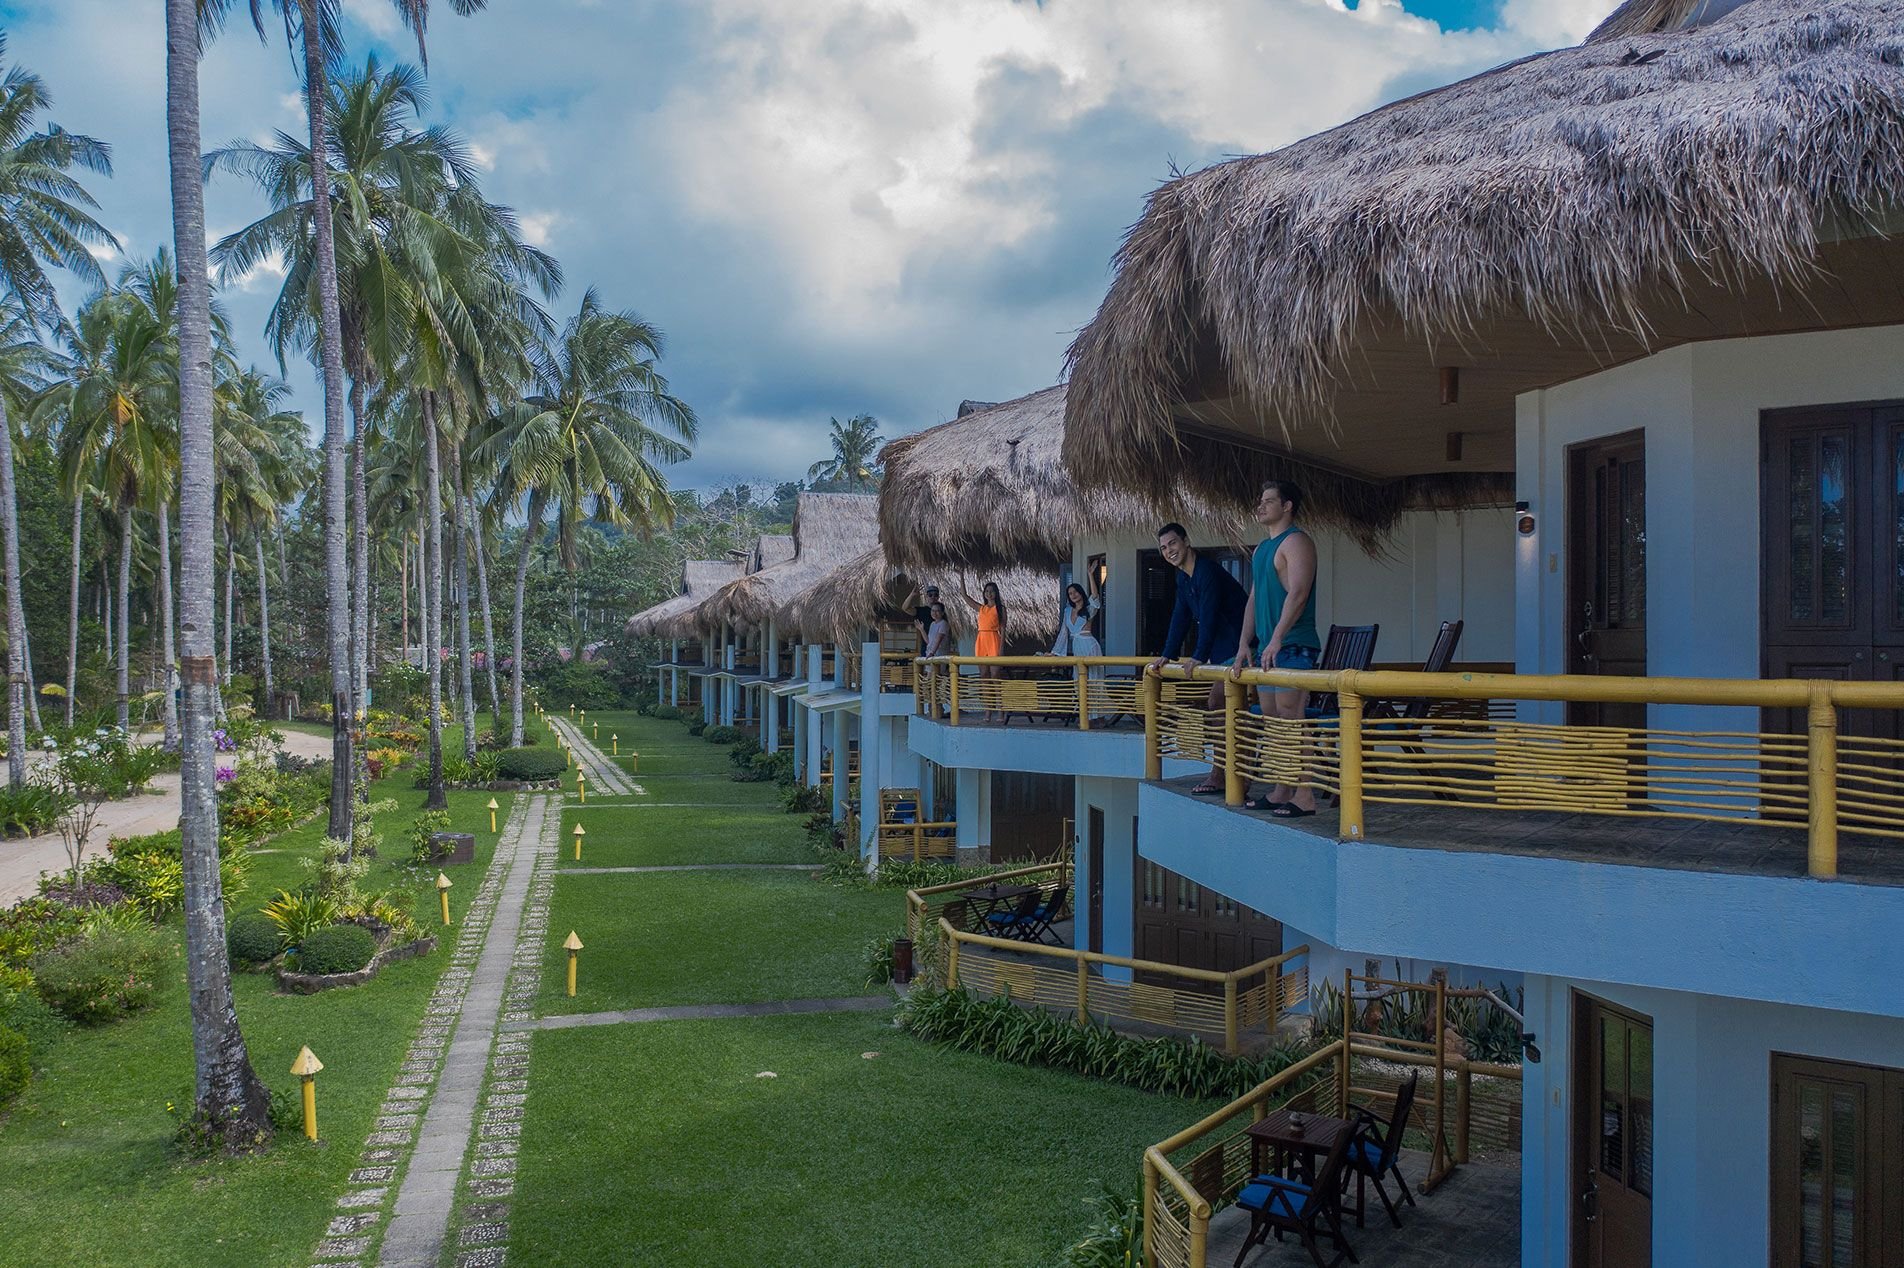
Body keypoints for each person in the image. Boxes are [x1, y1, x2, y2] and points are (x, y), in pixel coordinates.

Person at [1232, 480, 1321, 816]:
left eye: (1269, 501)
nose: (1261, 505)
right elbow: (1254, 598)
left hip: (1294, 644)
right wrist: (1244, 643)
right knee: (1273, 720)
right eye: (1261, 499)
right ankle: (1283, 788)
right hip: (1269, 647)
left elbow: (1298, 593)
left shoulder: (1297, 542)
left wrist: (1278, 637)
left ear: (1287, 506)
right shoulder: (1261, 550)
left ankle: (1306, 795)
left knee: (1291, 718)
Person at [1146, 522, 1248, 792]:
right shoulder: (1183, 578)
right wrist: (1167, 655)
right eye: (1164, 548)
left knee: (1220, 704)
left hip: (1241, 649)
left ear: (1186, 541)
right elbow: (1180, 617)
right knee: (1221, 708)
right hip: (1222, 653)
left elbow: (1210, 614)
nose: (1169, 551)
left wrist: (1199, 656)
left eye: (1173, 544)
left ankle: (1230, 774)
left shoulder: (1207, 572)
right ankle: (1226, 773)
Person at [959, 579, 1007, 721]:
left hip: (994, 639)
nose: (989, 594)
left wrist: (1001, 647)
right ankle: (988, 712)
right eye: (987, 591)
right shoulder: (981, 608)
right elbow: (965, 596)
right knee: (984, 677)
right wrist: (962, 576)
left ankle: (1001, 712)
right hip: (981, 640)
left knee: (995, 677)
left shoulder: (1000, 608)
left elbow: (1003, 628)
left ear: (996, 593)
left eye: (992, 591)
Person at [1050, 581, 1103, 657]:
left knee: (1092, 668)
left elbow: (1094, 596)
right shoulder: (1067, 611)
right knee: (1079, 668)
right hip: (1077, 646)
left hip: (1089, 645)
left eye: (1075, 592)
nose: (1073, 595)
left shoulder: (1089, 609)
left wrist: (1090, 575)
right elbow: (1063, 633)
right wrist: (1054, 652)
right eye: (1070, 593)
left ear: (1080, 592)